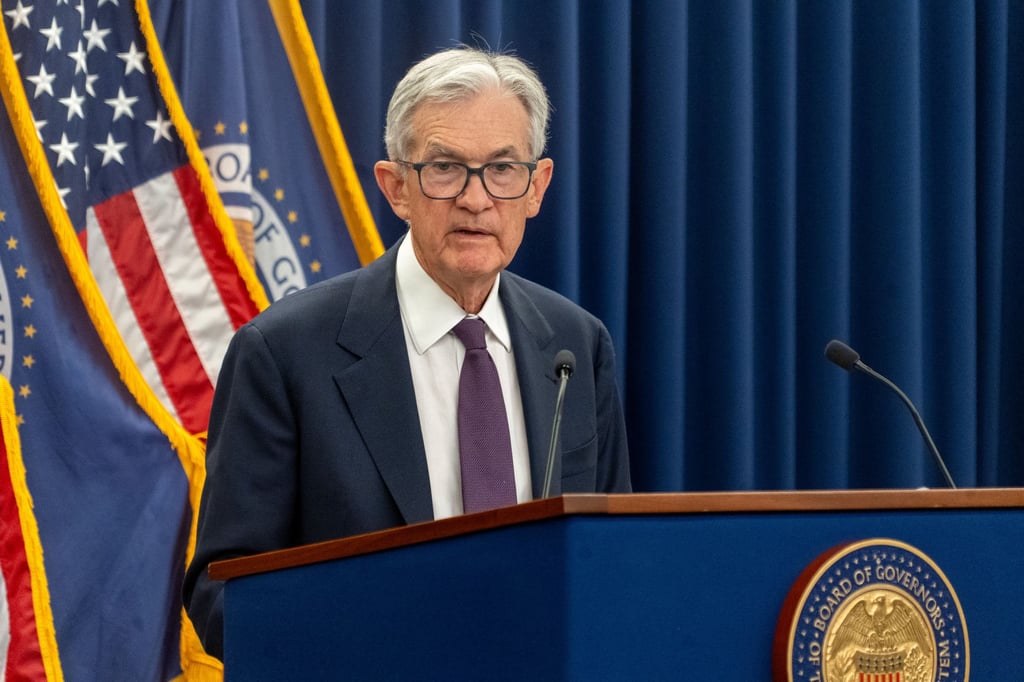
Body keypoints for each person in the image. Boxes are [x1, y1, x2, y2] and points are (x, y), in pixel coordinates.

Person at [183, 46, 631, 660]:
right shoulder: (283, 353)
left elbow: (613, 564)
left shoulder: (576, 345)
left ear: (537, 186)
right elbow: (222, 596)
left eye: (503, 170)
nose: (477, 199)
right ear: (396, 187)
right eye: (445, 168)